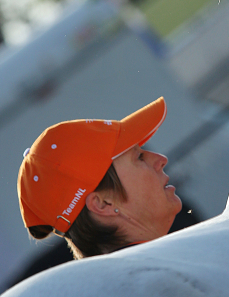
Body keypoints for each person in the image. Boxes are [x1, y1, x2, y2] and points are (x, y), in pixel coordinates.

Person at [17, 97, 183, 260]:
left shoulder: (144, 271)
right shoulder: (154, 278)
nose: (161, 159)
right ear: (104, 204)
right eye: (139, 157)